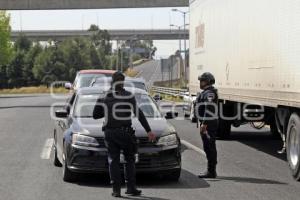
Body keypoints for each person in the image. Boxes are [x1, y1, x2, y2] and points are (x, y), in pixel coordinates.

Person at [93, 71, 156, 197]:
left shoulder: (104, 96)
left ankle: (116, 190)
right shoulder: (129, 96)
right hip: (125, 133)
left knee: (113, 160)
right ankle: (131, 188)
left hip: (110, 133)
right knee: (129, 160)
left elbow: (95, 115)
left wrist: (107, 112)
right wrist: (148, 131)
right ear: (123, 82)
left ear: (112, 81)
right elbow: (139, 114)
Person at [196, 72, 219, 178]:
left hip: (209, 124)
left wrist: (204, 124)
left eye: (202, 80)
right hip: (207, 123)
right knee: (208, 146)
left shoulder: (209, 93)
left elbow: (209, 108)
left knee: (209, 146)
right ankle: (211, 170)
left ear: (208, 81)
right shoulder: (206, 92)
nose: (200, 83)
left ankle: (211, 171)